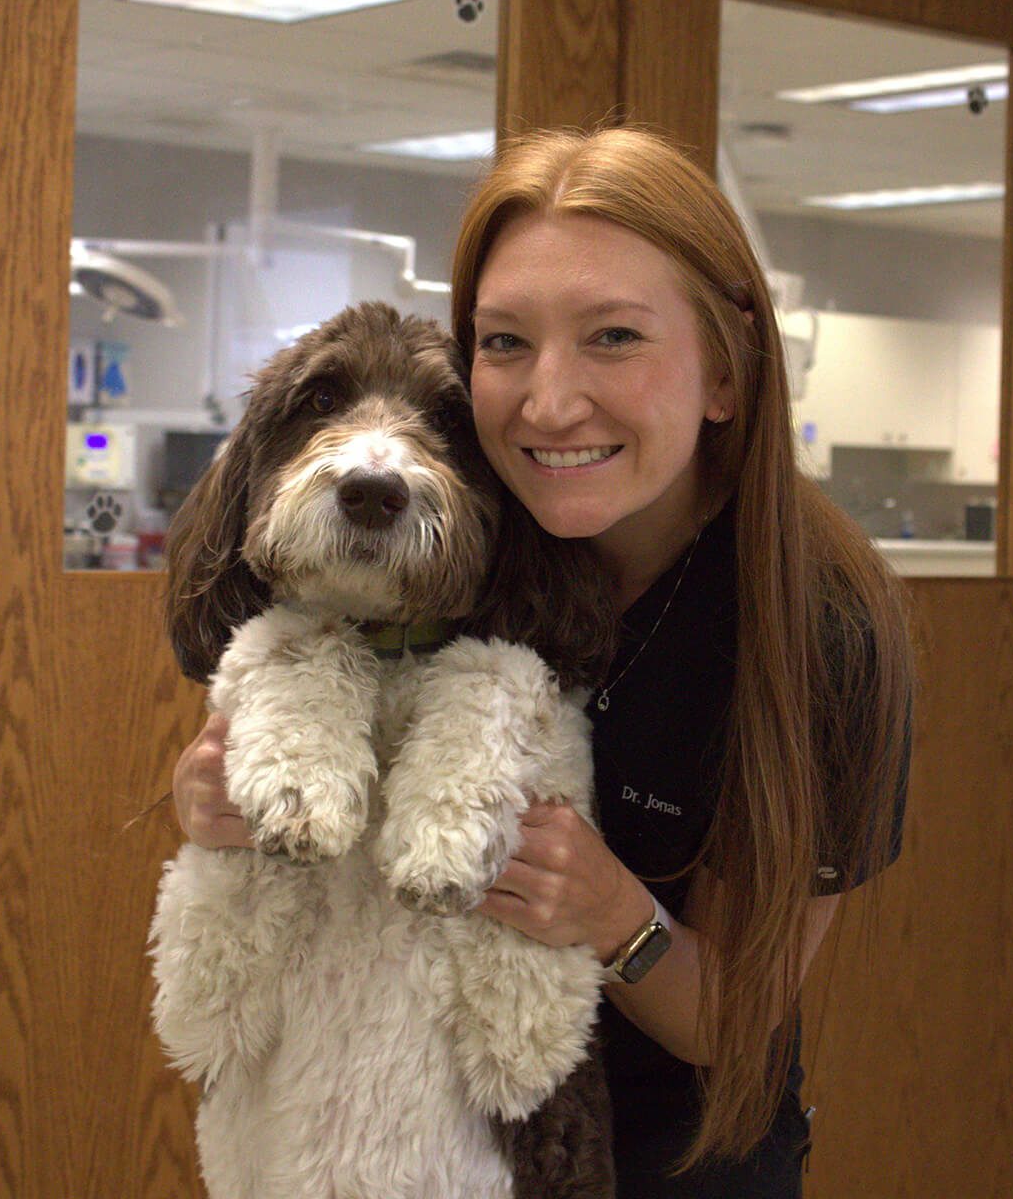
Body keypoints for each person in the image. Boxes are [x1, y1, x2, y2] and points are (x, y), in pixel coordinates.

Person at [172, 126, 913, 1198]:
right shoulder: (466, 520)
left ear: (724, 370)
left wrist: (612, 912)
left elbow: (736, 1019)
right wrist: (213, 796)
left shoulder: (818, 630)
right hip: (402, 1127)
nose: (549, 402)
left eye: (613, 337)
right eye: (506, 343)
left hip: (674, 1151)